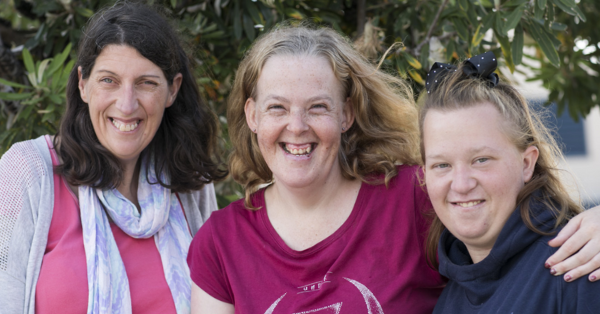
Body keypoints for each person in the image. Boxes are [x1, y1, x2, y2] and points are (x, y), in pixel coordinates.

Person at [187, 26, 600, 314]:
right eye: (277, 107)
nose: (297, 126)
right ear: (252, 115)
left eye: (317, 107)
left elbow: (508, 240)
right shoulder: (220, 243)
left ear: (346, 114)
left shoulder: (414, 196)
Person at [0, 2, 226, 314]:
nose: (127, 104)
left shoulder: (189, 186)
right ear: (83, 83)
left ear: (172, 90)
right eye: (109, 80)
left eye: (146, 83)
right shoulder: (28, 172)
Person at [421, 52, 599, 313]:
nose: (460, 184)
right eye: (442, 165)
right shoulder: (447, 296)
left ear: (527, 164)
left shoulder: (580, 265)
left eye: (481, 160)